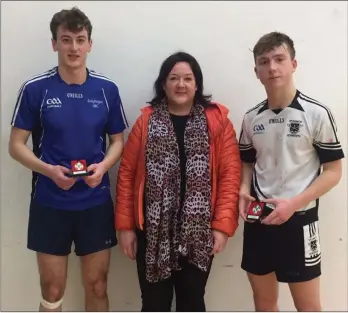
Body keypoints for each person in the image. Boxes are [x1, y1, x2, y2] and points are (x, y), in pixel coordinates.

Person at [8, 7, 128, 312]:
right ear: (54, 44)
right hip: (50, 203)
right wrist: (48, 170)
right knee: (52, 289)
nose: (74, 47)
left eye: (80, 39)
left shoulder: (107, 89)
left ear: (90, 44)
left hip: (95, 203)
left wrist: (103, 167)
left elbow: (117, 141)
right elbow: (15, 145)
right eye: (66, 40)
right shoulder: (35, 89)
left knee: (98, 284)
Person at [114, 51, 241, 311]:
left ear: (197, 84)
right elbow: (126, 175)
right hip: (153, 232)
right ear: (163, 84)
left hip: (199, 233)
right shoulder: (146, 122)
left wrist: (221, 226)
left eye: (187, 78)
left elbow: (230, 176)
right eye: (173, 78)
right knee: (154, 303)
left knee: (192, 302)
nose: (180, 85)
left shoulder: (217, 123)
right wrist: (126, 227)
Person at [238, 31, 344, 311]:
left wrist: (293, 204)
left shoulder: (317, 113)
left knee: (308, 306)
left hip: (299, 218)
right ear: (257, 71)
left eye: (279, 59)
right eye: (264, 61)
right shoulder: (250, 118)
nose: (272, 67)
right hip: (259, 217)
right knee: (264, 302)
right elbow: (247, 162)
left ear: (293, 64)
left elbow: (333, 171)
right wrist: (242, 191)